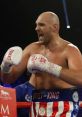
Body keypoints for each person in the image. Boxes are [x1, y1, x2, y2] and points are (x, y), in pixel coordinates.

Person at [1, 11, 82, 116]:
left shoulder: (69, 50)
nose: (36, 28)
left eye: (41, 25)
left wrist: (48, 67)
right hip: (37, 105)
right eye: (36, 25)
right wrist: (5, 66)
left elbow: (80, 78)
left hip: (63, 106)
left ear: (54, 27)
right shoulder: (32, 48)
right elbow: (8, 79)